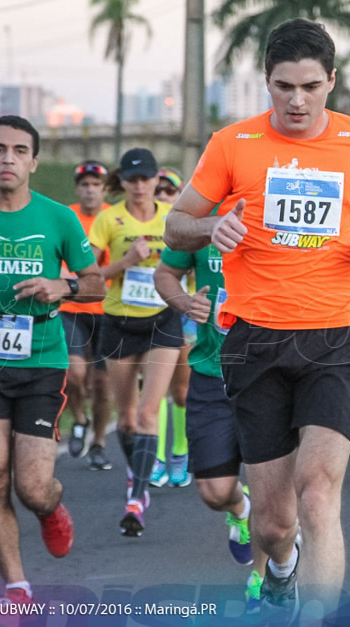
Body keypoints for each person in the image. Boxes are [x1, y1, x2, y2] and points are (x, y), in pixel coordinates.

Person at [165, 18, 350, 617]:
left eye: (309, 87)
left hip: (341, 337)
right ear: (266, 83)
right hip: (256, 343)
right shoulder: (232, 144)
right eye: (282, 87)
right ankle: (281, 566)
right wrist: (209, 225)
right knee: (275, 523)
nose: (296, 100)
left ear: (331, 82)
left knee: (319, 495)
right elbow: (177, 223)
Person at [0, 115, 105, 604]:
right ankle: (17, 587)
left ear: (34, 161)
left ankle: (50, 509)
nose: (7, 158)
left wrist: (64, 285)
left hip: (41, 359)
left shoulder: (58, 218)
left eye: (18, 150)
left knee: (32, 486)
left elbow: (95, 281)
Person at [153, 217, 268, 615]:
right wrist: (184, 302)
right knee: (214, 492)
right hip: (211, 371)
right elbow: (166, 272)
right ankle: (241, 509)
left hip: (271, 375)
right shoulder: (204, 216)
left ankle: (263, 578)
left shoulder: (286, 205)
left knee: (276, 491)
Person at [89, 149, 184, 536]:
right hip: (119, 323)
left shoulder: (172, 219)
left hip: (164, 323)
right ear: (123, 181)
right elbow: (92, 275)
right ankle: (139, 475)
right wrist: (125, 261)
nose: (140, 185)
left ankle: (136, 497)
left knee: (149, 413)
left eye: (146, 178)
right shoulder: (109, 219)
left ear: (154, 179)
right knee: (126, 418)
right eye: (132, 179)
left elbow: (188, 265)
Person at [61, 160, 113, 470]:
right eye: (85, 185)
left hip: (107, 311)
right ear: (78, 189)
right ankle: (79, 417)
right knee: (75, 373)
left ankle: (99, 442)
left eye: (96, 185)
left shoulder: (113, 219)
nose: (90, 190)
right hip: (71, 308)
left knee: (104, 385)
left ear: (104, 190)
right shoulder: (67, 217)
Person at [151, 168, 192, 488]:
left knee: (180, 390)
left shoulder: (187, 226)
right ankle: (157, 458)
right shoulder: (135, 223)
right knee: (153, 391)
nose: (162, 195)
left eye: (170, 190)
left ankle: (180, 452)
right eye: (159, 189)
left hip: (186, 312)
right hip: (151, 313)